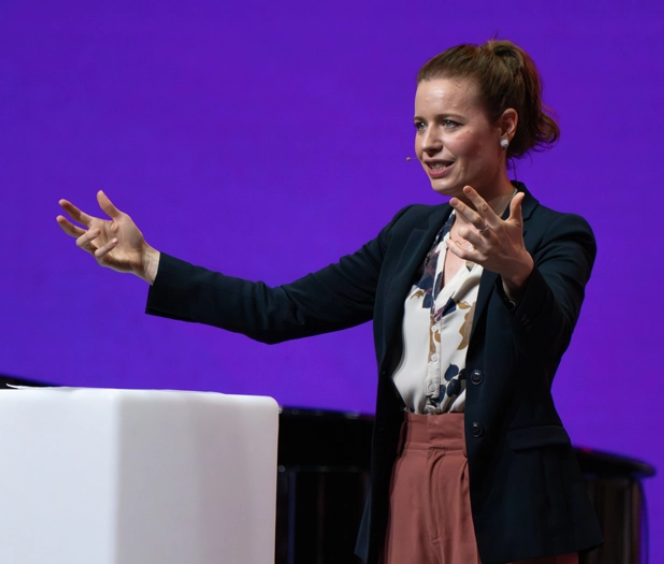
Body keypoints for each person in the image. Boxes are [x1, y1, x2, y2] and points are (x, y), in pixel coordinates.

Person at [56, 39, 603, 564]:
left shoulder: (556, 235)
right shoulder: (409, 234)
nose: (428, 144)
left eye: (450, 124)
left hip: (508, 495)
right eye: (420, 125)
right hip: (407, 475)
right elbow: (279, 310)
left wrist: (517, 270)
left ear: (504, 126)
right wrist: (149, 262)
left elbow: (547, 342)